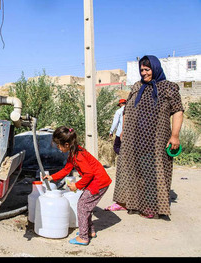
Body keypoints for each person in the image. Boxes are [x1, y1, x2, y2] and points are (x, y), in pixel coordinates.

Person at [107, 55, 184, 219]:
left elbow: (177, 111)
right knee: (127, 169)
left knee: (151, 172)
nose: (143, 73)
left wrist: (175, 135)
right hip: (132, 139)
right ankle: (125, 202)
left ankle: (151, 206)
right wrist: (123, 131)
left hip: (155, 140)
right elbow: (127, 110)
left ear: (155, 69)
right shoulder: (136, 86)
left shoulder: (168, 88)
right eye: (141, 70)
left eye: (147, 69)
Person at [43, 126, 112, 246]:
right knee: (86, 206)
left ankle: (83, 237)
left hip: (99, 183)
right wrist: (52, 177)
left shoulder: (78, 156)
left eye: (59, 145)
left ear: (67, 144)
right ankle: (90, 231)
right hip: (96, 181)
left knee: (82, 206)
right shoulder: (74, 153)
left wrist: (77, 185)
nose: (59, 148)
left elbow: (89, 173)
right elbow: (67, 169)